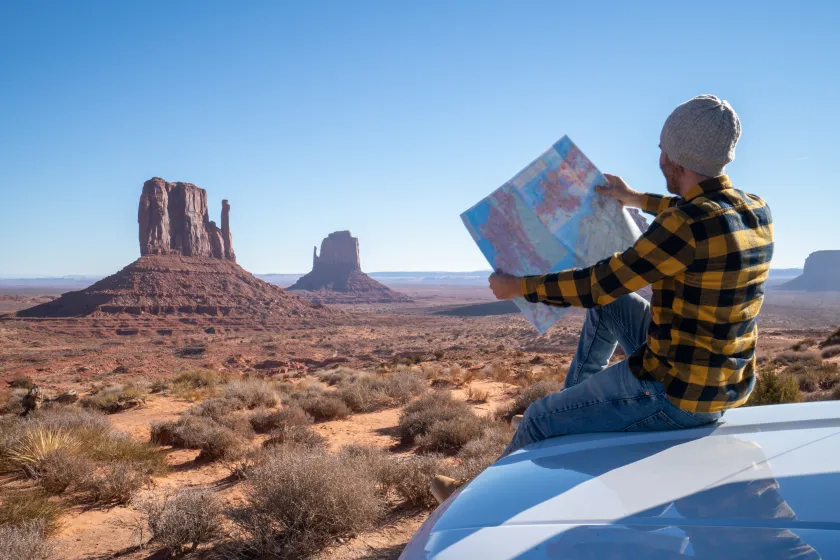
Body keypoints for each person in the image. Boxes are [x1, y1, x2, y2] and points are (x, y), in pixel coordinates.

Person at [430, 94, 774, 504]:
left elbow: (598, 284)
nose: (658, 154)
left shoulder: (684, 226)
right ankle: (573, 418)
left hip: (677, 393)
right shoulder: (754, 210)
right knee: (613, 308)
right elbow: (691, 209)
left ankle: (472, 502)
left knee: (539, 419)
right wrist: (635, 199)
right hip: (723, 378)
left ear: (676, 160)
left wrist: (518, 287)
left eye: (663, 148)